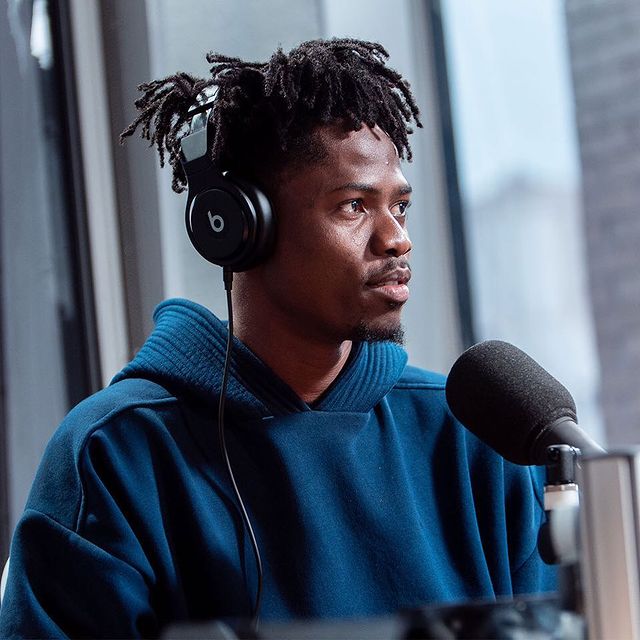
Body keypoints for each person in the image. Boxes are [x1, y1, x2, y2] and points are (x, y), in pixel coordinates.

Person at [0, 38, 556, 638]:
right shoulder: (114, 454)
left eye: (400, 205)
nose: (397, 238)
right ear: (239, 227)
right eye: (353, 206)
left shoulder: (474, 437)